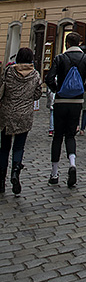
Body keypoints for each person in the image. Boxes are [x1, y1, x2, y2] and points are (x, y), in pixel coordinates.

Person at [45, 31, 86, 187]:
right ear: (79, 43)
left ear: (67, 43)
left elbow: (49, 78)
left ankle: (54, 174)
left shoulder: (60, 58)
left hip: (61, 101)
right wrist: (82, 89)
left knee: (57, 137)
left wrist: (57, 90)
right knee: (70, 136)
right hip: (77, 102)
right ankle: (72, 164)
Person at [0, 47, 42, 195]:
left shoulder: (9, 72)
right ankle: (15, 173)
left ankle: (1, 181)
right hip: (24, 115)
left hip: (7, 114)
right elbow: (37, 95)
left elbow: (1, 89)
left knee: (4, 148)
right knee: (19, 147)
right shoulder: (35, 75)